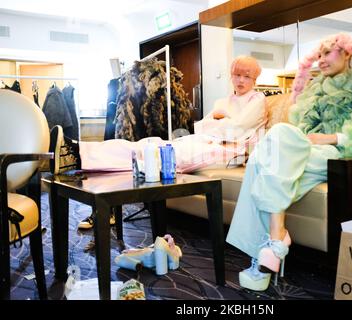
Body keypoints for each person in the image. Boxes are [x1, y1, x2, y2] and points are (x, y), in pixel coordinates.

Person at [225, 33, 352, 291]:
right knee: (275, 141)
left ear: (347, 53)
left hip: (346, 153)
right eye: (319, 55)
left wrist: (333, 137)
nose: (321, 60)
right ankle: (276, 237)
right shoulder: (316, 88)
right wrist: (308, 139)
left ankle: (267, 252)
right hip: (311, 149)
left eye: (328, 53)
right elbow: (301, 130)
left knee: (264, 159)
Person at [49, 55, 266, 229]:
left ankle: (79, 158)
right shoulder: (223, 101)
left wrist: (221, 120)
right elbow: (200, 126)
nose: (240, 80)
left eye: (245, 76)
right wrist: (222, 120)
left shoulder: (258, 99)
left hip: (231, 150)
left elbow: (237, 130)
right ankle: (78, 151)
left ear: (254, 79)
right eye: (236, 75)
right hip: (206, 140)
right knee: (150, 145)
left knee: (164, 157)